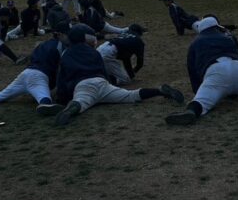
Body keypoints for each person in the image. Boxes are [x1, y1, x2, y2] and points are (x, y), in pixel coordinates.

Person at [49, 24, 184, 126]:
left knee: (80, 102)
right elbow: (103, 70)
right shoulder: (94, 52)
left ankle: (69, 110)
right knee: (131, 95)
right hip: (102, 83)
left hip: (83, 85)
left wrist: (61, 98)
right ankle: (159, 91)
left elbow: (62, 78)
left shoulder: (66, 54)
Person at [0, 23, 69, 111]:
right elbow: (60, 70)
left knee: (0, 96)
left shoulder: (42, 44)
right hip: (39, 76)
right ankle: (44, 103)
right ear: (59, 34)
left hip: (26, 73)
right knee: (45, 101)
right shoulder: (61, 46)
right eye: (68, 35)